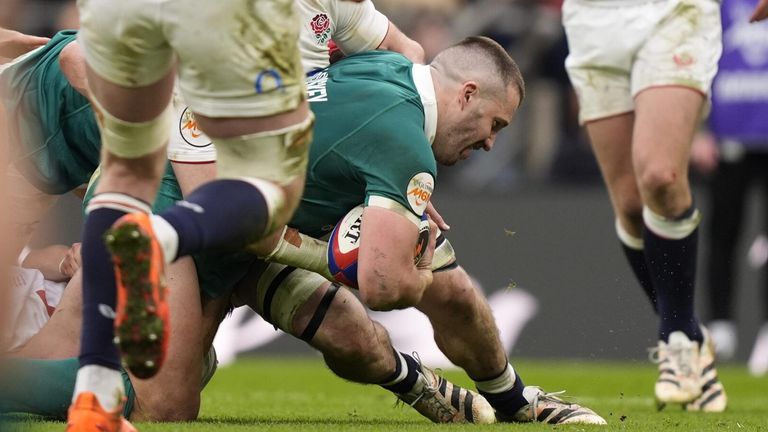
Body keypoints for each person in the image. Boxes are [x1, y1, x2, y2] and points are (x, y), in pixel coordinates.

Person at [559, 0, 768, 412]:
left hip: (676, 10)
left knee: (660, 176)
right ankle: (692, 336)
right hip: (593, 18)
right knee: (633, 205)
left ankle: (675, 340)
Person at [689, 0, 768, 375]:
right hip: (727, 137)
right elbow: (693, 61)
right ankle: (720, 324)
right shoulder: (716, 6)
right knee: (722, 234)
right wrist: (698, 129)